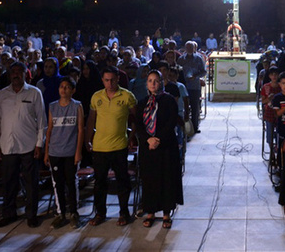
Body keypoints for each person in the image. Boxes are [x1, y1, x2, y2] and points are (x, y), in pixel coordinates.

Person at [0, 61, 46, 228]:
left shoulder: (34, 93)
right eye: (13, 71)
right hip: (7, 146)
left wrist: (39, 144)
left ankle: (31, 215)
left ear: (25, 74)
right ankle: (9, 214)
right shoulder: (2, 94)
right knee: (9, 183)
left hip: (29, 145)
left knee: (31, 183)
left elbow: (42, 122)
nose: (15, 74)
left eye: (19, 71)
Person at [86, 66, 137, 227]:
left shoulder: (127, 96)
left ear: (118, 79)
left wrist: (132, 136)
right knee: (100, 183)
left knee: (123, 182)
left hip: (119, 146)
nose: (110, 83)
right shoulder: (96, 97)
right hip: (100, 147)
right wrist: (87, 139)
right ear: (102, 80)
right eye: (107, 80)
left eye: (113, 80)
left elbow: (136, 117)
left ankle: (124, 213)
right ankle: (100, 213)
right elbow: (91, 120)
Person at [135, 70, 184, 229]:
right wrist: (148, 139)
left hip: (166, 146)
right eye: (150, 80)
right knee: (150, 179)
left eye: (156, 80)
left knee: (166, 178)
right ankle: (150, 212)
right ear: (146, 83)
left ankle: (166, 213)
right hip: (148, 147)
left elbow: (171, 122)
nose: (153, 84)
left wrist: (158, 139)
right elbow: (138, 125)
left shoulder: (169, 100)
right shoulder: (142, 102)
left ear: (161, 82)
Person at [44, 76, 84, 229]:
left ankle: (73, 213)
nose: (63, 89)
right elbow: (49, 130)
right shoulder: (53, 106)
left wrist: (78, 152)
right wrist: (47, 152)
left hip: (70, 151)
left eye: (67, 87)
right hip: (55, 151)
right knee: (58, 184)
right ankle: (61, 214)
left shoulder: (77, 106)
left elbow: (80, 130)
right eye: (61, 86)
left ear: (73, 90)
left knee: (71, 182)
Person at [178, 41, 206, 134]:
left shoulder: (198, 58)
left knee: (195, 107)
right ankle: (184, 127)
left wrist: (196, 76)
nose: (189, 49)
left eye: (191, 47)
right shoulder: (181, 59)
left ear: (194, 48)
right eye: (188, 47)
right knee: (183, 107)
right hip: (184, 86)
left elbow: (204, 71)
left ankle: (195, 127)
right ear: (185, 48)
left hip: (194, 86)